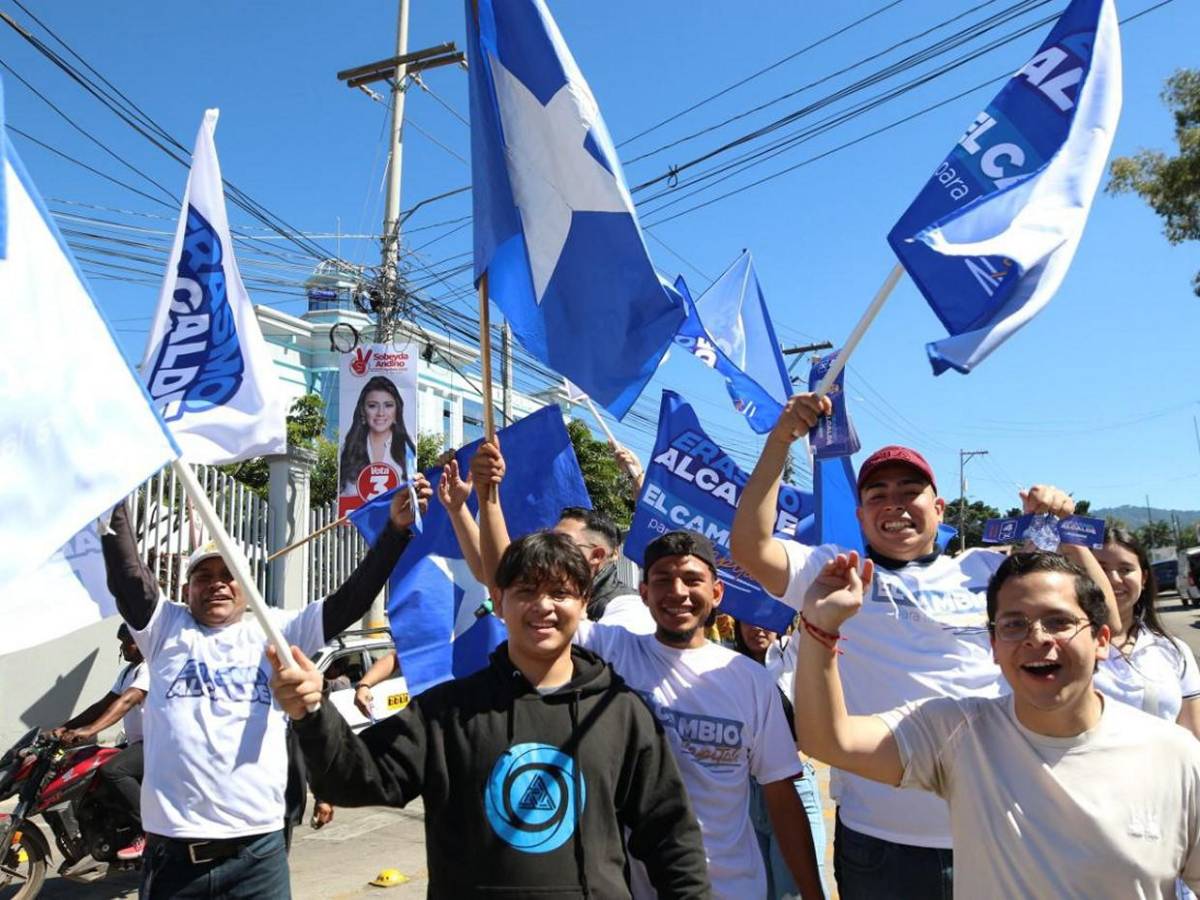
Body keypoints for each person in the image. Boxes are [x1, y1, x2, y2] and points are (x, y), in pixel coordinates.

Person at [730, 395, 1115, 898]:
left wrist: (1065, 531)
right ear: (861, 515)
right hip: (881, 842)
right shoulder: (835, 573)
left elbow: (1101, 618)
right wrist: (780, 440)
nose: (894, 504)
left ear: (938, 508)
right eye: (878, 495)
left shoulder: (989, 571)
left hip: (998, 828)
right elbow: (750, 546)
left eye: (910, 492)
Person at [269, 531, 711, 898]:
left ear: (583, 602)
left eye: (560, 593)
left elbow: (671, 838)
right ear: (498, 601)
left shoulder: (620, 711)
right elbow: (351, 779)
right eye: (526, 592)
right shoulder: (446, 712)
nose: (543, 606)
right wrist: (312, 712)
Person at [472, 439, 825, 900]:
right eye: (662, 580)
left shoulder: (751, 682)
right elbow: (513, 593)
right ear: (643, 593)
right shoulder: (613, 652)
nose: (677, 592)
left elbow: (782, 798)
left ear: (716, 594)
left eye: (692, 580)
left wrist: (813, 893)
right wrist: (488, 498)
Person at [794, 550, 1200, 897]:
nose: (1036, 638)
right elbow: (829, 740)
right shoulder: (957, 734)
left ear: (1100, 640)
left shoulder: (1175, 756)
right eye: (1014, 624)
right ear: (992, 645)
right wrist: (820, 628)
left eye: (1058, 621)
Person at [101, 476, 430, 900]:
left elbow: (351, 600)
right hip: (175, 861)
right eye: (204, 576)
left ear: (247, 586)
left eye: (229, 574)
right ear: (186, 589)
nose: (217, 583)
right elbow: (128, 575)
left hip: (258, 859)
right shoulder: (164, 628)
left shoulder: (278, 629)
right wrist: (111, 490)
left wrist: (395, 532)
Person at [467, 439, 654, 633]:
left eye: (562, 544)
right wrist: (460, 507)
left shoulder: (627, 611)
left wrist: (488, 495)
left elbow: (499, 577)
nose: (542, 608)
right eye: (527, 592)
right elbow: (492, 574)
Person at [732, 619, 829, 899]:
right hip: (749, 794)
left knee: (799, 890)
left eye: (764, 621)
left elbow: (812, 623)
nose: (757, 629)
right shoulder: (728, 668)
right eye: (748, 621)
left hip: (794, 786)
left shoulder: (792, 655)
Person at [52, 622, 149, 860]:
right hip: (135, 743)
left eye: (127, 642)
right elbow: (103, 704)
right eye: (122, 643)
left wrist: (91, 730)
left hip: (156, 744)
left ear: (142, 642)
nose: (123, 648)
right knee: (89, 767)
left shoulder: (151, 668)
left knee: (113, 770)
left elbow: (126, 702)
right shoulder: (128, 672)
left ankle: (149, 830)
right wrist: (66, 727)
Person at [1093, 528, 1200, 736]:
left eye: (1125, 569)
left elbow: (1194, 736)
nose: (1113, 579)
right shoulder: (1063, 649)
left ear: (1143, 578)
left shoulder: (1173, 649)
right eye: (1100, 569)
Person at [338, 376, 416, 499]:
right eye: (372, 405)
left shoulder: (407, 448)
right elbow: (343, 496)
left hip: (397, 512)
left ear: (397, 410)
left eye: (388, 405)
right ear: (363, 411)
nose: (380, 413)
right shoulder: (349, 449)